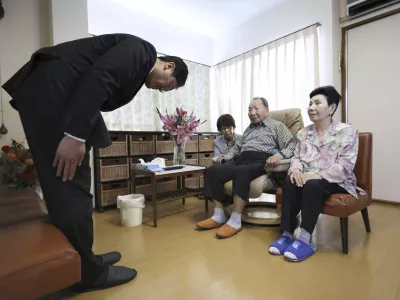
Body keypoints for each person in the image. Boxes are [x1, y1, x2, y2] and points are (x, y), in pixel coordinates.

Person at [1, 33, 188, 292]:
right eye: (169, 85)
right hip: (57, 93)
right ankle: (87, 274)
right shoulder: (143, 51)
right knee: (70, 183)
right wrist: (76, 133)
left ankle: (84, 259)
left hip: (57, 93)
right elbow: (100, 76)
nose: (163, 89)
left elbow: (99, 88)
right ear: (169, 66)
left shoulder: (136, 66)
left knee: (70, 181)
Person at [268, 86, 359, 262]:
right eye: (310, 103)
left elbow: (346, 165)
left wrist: (315, 175)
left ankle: (305, 238)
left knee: (312, 184)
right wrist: (295, 170)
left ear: (331, 108)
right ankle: (286, 233)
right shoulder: (303, 133)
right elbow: (296, 157)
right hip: (309, 178)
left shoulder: (347, 131)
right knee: (290, 180)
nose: (311, 107)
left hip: (338, 181)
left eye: (317, 103)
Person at [196, 97, 296, 239]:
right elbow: (237, 148)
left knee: (241, 172)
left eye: (256, 108)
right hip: (241, 159)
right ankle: (219, 215)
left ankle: (236, 221)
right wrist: (226, 157)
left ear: (267, 110)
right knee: (212, 171)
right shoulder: (248, 129)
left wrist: (278, 156)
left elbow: (291, 145)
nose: (252, 112)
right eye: (250, 109)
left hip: (262, 160)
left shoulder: (277, 126)